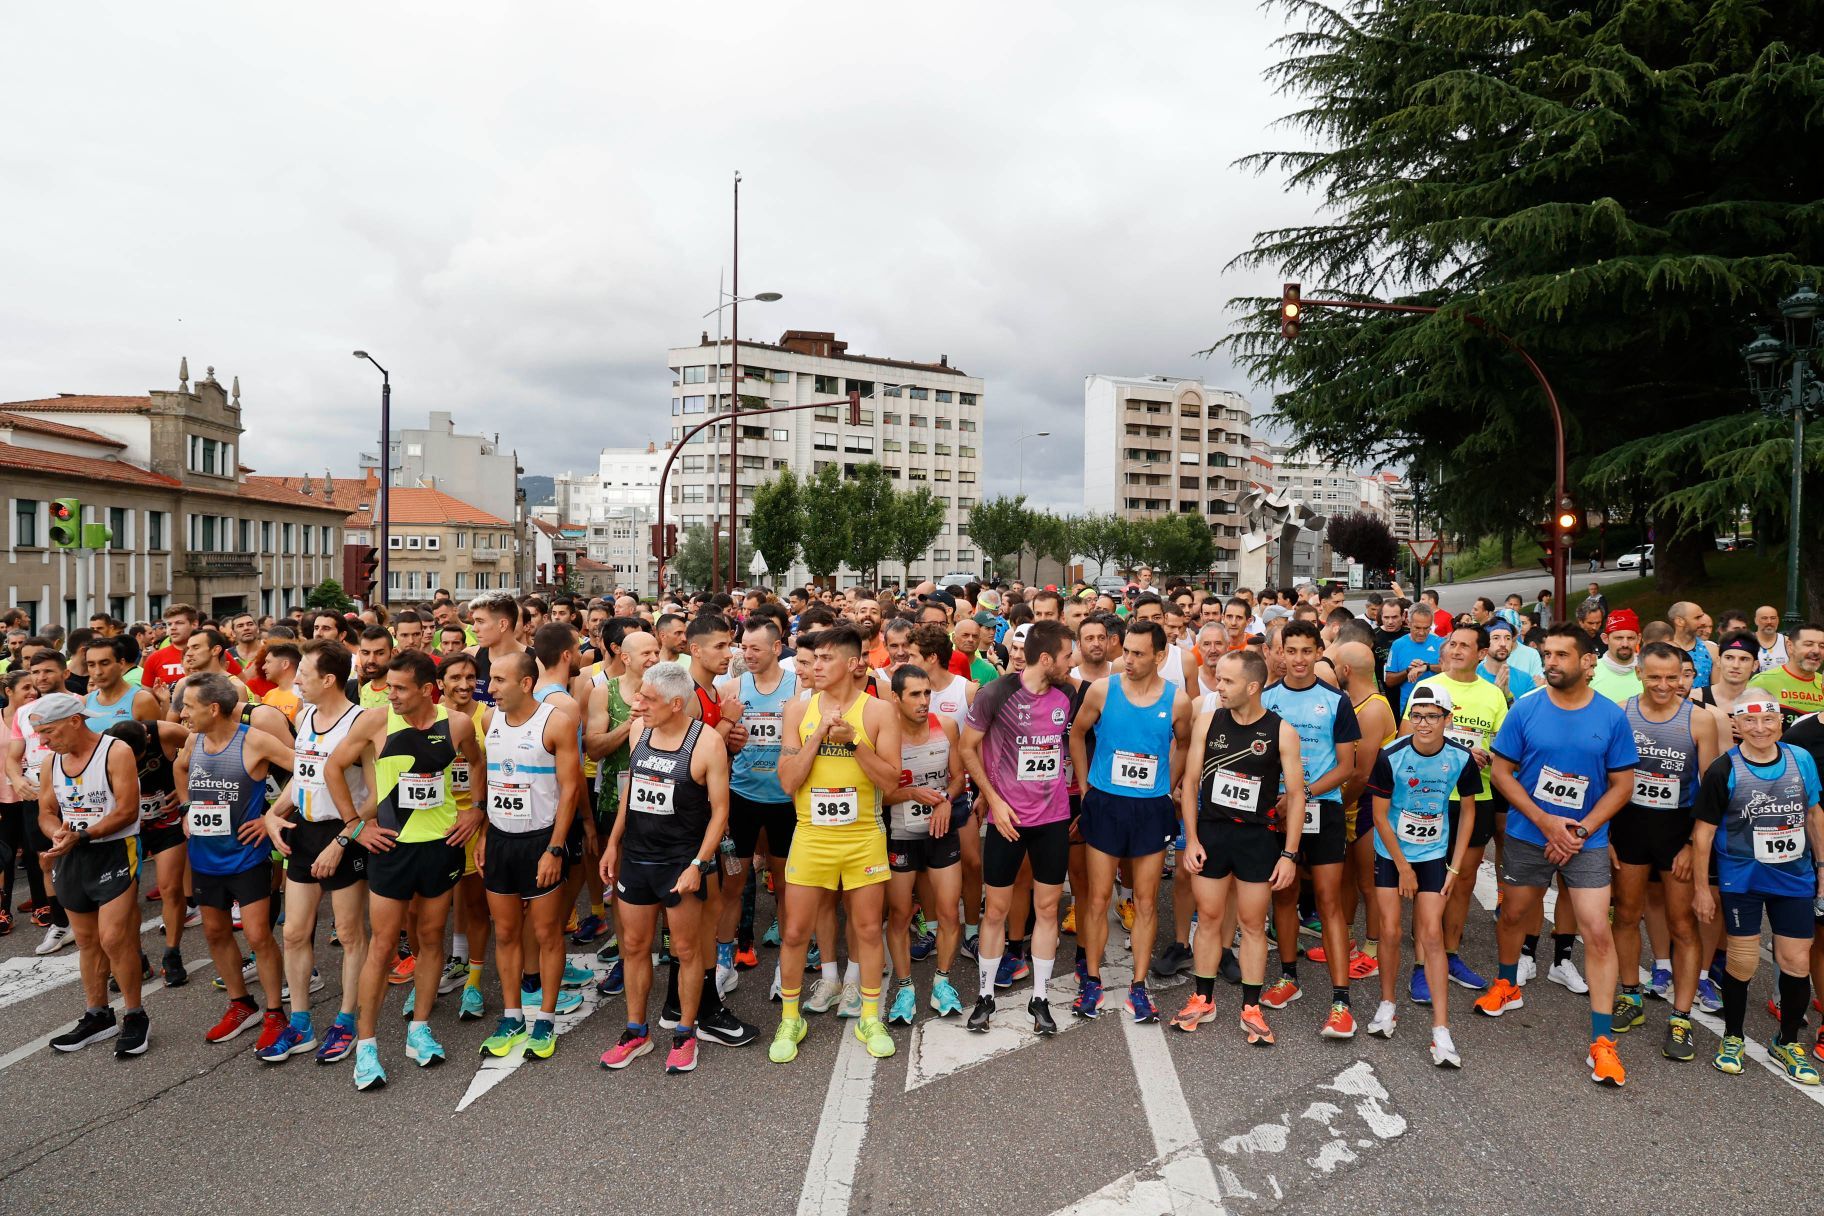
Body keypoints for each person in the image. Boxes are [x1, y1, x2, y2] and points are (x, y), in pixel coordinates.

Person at [1476, 625, 1638, 1088]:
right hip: (1530, 834)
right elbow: (1503, 772)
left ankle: (1603, 1041)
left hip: (1586, 839)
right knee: (1513, 915)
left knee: (1598, 932)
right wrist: (1547, 822)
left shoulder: (1610, 716)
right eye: (1547, 654)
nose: (1551, 662)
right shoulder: (1525, 708)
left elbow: (1623, 784)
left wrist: (1581, 830)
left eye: (1562, 655)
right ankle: (1507, 983)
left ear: (1588, 662)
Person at [326, 650, 484, 1091]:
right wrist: (355, 826)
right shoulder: (375, 722)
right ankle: (368, 1044)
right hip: (392, 848)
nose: (389, 694)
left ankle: (419, 1029)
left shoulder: (455, 723)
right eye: (389, 686)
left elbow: (475, 761)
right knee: (383, 945)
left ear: (426, 690)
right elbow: (332, 767)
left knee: (433, 938)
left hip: (441, 845)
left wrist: (477, 809)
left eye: (399, 688)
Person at [768, 625, 902, 1063]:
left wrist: (855, 742)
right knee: (793, 931)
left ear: (852, 663)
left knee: (866, 929)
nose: (815, 666)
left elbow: (891, 783)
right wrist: (818, 737)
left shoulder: (880, 713)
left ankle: (869, 1014)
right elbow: (788, 781)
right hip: (811, 835)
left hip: (864, 836)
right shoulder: (797, 709)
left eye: (825, 659)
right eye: (813, 659)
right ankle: (791, 1017)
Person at [1170, 651, 1304, 1044]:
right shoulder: (1209, 721)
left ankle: (1251, 1006)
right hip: (1212, 833)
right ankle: (1202, 999)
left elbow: (1296, 797)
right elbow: (1191, 782)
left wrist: (1289, 854)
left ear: (1252, 687)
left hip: (1257, 837)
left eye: (1226, 681)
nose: (1217, 686)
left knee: (1251, 924)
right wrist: (1191, 838)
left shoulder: (1282, 732)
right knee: (1208, 918)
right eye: (1218, 678)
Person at [1692, 692, 1824, 1084]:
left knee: (1797, 961)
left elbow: (1814, 814)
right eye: (1750, 721)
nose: (1760, 728)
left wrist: (1822, 867)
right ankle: (1732, 1036)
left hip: (1794, 878)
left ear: (1779, 721)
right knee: (1744, 961)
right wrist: (1702, 889)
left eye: (1767, 720)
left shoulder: (1801, 761)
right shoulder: (1723, 769)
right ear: (1736, 724)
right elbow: (1703, 835)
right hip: (1742, 878)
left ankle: (1786, 1042)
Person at [1067, 619, 1191, 1023]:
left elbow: (1184, 743)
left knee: (1146, 901)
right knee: (1098, 897)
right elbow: (1076, 733)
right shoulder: (1103, 689)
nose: (1129, 660)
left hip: (1150, 809)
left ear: (1160, 656)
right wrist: (1085, 788)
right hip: (1105, 804)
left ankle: (1139, 987)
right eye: (1127, 652)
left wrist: (1167, 786)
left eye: (1139, 654)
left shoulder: (1177, 701)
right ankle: (1092, 979)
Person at [259, 640, 373, 1063]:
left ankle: (346, 1021)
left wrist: (343, 839)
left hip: (343, 835)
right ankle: (301, 1022)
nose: (298, 682)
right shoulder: (305, 715)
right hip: (305, 833)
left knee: (348, 934)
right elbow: (303, 775)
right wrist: (274, 812)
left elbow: (377, 796)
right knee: (293, 932)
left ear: (329, 679)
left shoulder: (360, 723)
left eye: (304, 675)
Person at [959, 621, 1075, 1036]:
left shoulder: (1069, 693)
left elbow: (1070, 742)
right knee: (997, 911)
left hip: (1053, 818)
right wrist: (993, 800)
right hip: (1008, 820)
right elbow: (967, 748)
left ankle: (1039, 999)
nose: (1071, 662)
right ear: (1046, 659)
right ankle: (985, 997)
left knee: (1047, 910)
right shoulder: (997, 694)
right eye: (1066, 656)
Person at [175, 672, 298, 1054]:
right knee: (214, 932)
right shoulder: (194, 740)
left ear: (214, 708)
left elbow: (306, 771)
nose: (182, 714)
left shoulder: (255, 740)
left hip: (247, 855)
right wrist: (183, 806)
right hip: (205, 857)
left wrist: (270, 816)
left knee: (259, 935)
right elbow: (180, 768)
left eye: (189, 707)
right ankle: (241, 1004)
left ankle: (276, 1011)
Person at [1609, 641, 1720, 1062]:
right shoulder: (1620, 711)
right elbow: (1606, 778)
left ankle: (1681, 1017)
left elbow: (1710, 790)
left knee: (1682, 924)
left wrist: (1694, 844)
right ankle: (1631, 996)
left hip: (1677, 830)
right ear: (1638, 672)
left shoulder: (1701, 719)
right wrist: (1604, 839)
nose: (1663, 685)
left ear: (1684, 675)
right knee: (1627, 913)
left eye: (1672, 677)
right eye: (1654, 676)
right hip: (1630, 826)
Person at [1366, 684, 1480, 1065]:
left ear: (1447, 719)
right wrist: (1402, 867)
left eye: (1433, 716)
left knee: (1431, 933)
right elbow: (1379, 817)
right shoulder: (1391, 755)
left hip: (1433, 854)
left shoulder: (1460, 759)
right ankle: (1387, 1004)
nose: (1424, 723)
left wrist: (1455, 865)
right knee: (1392, 930)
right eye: (1417, 716)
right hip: (1392, 852)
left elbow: (1468, 812)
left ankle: (1441, 1030)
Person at [476, 653, 581, 1062]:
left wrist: (555, 848)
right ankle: (513, 1015)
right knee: (504, 932)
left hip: (541, 840)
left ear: (525, 684)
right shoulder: (489, 721)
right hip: (501, 839)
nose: (491, 687)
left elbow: (570, 790)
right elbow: (490, 777)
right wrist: (485, 832)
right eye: (491, 679)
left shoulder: (556, 722)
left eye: (499, 680)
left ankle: (547, 1019)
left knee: (546, 933)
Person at [1260, 621, 1362, 1038]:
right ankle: (1288, 977)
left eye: (1307, 651)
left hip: (1323, 811)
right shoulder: (1265, 699)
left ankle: (1342, 1001)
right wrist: (1281, 799)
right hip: (1277, 813)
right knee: (1282, 894)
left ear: (1318, 652)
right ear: (1279, 653)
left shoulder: (1335, 700)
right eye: (1291, 650)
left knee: (1327, 901)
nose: (1299, 659)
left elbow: (1346, 767)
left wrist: (1301, 793)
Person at [32, 694, 149, 1055]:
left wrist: (82, 834)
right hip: (73, 855)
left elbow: (128, 810)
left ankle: (135, 1015)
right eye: (39, 733)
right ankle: (98, 1014)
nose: (44, 741)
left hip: (113, 850)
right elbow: (47, 810)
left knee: (114, 938)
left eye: (48, 731)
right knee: (86, 941)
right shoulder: (52, 759)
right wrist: (57, 833)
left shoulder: (115, 751)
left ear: (75, 721)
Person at [1406, 625, 1508, 997]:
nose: (1456, 649)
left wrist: (1488, 755)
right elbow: (1407, 735)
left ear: (1483, 653)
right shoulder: (1428, 687)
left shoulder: (1493, 694)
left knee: (1462, 880)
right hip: (1428, 798)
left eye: (1465, 645)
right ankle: (1421, 965)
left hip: (1475, 798)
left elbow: (1504, 749)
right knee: (1428, 882)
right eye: (1453, 643)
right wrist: (1456, 748)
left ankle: (1449, 955)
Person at [881, 665, 967, 1022]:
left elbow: (959, 776)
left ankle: (942, 981)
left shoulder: (946, 726)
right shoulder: (885, 735)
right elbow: (880, 794)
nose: (923, 701)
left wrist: (946, 798)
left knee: (949, 912)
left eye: (927, 693)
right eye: (914, 694)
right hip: (901, 834)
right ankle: (904, 988)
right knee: (900, 915)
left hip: (940, 830)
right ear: (896, 697)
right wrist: (911, 792)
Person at [717, 619, 796, 996]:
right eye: (743, 648)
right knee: (732, 884)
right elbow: (716, 750)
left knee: (785, 887)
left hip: (786, 801)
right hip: (742, 798)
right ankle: (722, 961)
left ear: (777, 648)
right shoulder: (731, 689)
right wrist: (730, 742)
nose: (747, 655)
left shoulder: (799, 689)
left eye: (756, 649)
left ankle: (787, 966)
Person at [106, 717, 190, 986]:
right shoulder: (107, 747)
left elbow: (204, 749)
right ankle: (137, 958)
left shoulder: (166, 732)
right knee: (126, 898)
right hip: (130, 829)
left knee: (170, 888)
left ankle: (172, 953)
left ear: (148, 741)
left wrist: (183, 788)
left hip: (167, 822)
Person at [1748, 622, 1824, 727]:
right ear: (1790, 646)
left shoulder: (1822, 682)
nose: (1816, 651)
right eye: (1809, 644)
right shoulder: (1763, 682)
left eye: (1822, 646)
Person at [1385, 605, 1442, 714]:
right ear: (1408, 622)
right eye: (1417, 628)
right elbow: (1389, 681)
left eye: (1426, 628)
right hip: (1408, 710)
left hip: (1437, 708)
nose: (1422, 632)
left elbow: (1451, 670)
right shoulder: (1398, 645)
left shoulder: (1440, 643)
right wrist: (1408, 670)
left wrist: (1427, 667)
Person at [1590, 609, 1644, 704]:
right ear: (1605, 639)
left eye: (1630, 638)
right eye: (1618, 638)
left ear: (1638, 639)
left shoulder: (1650, 672)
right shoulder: (1590, 672)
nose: (1625, 644)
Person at [1478, 619, 1537, 701]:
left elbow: (1530, 712)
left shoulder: (1525, 680)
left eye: (1508, 638)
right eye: (1496, 638)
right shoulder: (1472, 676)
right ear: (1485, 643)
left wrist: (1509, 697)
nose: (1503, 643)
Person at [1753, 605, 1789, 673]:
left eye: (1773, 618)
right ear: (1756, 621)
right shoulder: (1747, 640)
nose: (1769, 622)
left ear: (1778, 620)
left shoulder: (1787, 642)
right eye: (1764, 618)